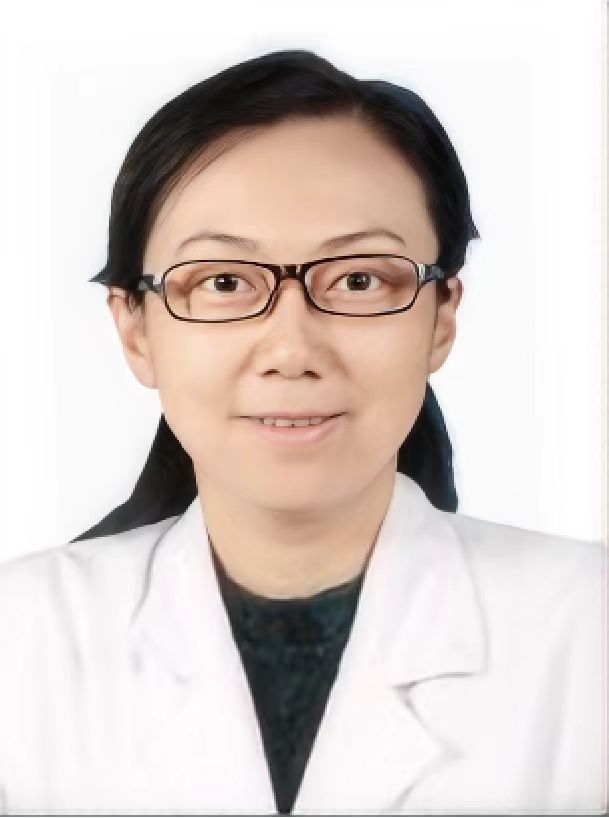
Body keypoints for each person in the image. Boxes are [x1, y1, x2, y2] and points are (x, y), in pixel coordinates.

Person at [0, 49, 604, 815]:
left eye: (359, 279)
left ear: (441, 318)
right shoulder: (19, 640)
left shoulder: (586, 629)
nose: (291, 350)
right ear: (135, 329)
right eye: (222, 282)